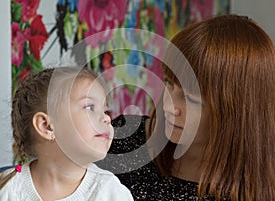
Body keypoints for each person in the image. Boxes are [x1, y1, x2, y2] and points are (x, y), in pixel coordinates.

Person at [98, 14, 275, 200]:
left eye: (191, 99)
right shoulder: (120, 140)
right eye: (169, 83)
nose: (169, 106)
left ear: (237, 112)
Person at [0, 67, 134, 201]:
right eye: (90, 107)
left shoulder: (111, 192)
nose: (107, 118)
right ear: (47, 126)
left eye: (105, 110)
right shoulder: (3, 191)